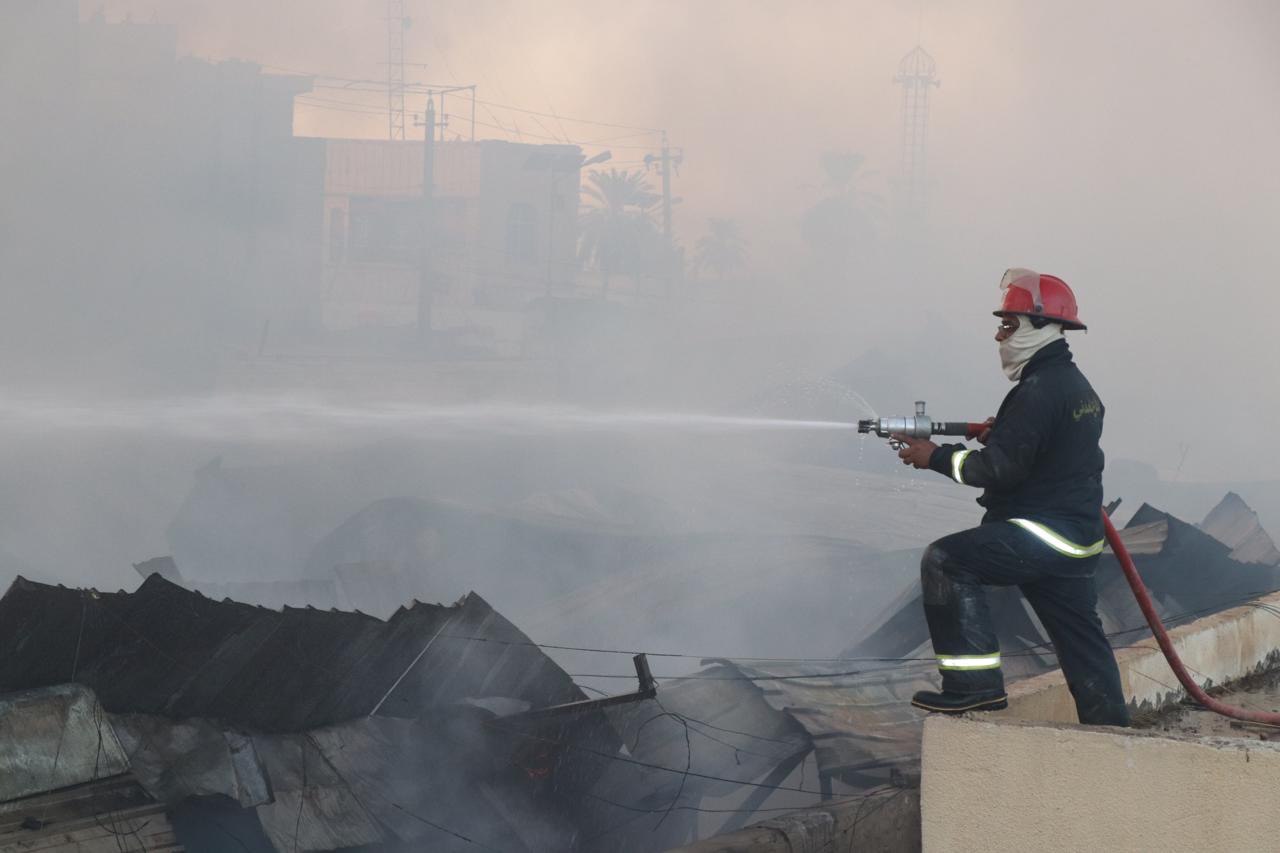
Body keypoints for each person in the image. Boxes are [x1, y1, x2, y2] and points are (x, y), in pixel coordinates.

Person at [891, 269, 1129, 726]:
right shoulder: (1074, 386)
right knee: (1082, 643)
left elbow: (996, 470)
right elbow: (1047, 449)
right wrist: (1004, 434)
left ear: (1041, 325)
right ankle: (1112, 731)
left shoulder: (1038, 392)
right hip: (1075, 539)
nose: (999, 335)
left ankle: (973, 687)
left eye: (1008, 324)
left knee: (946, 561)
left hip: (1041, 533)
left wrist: (934, 456)